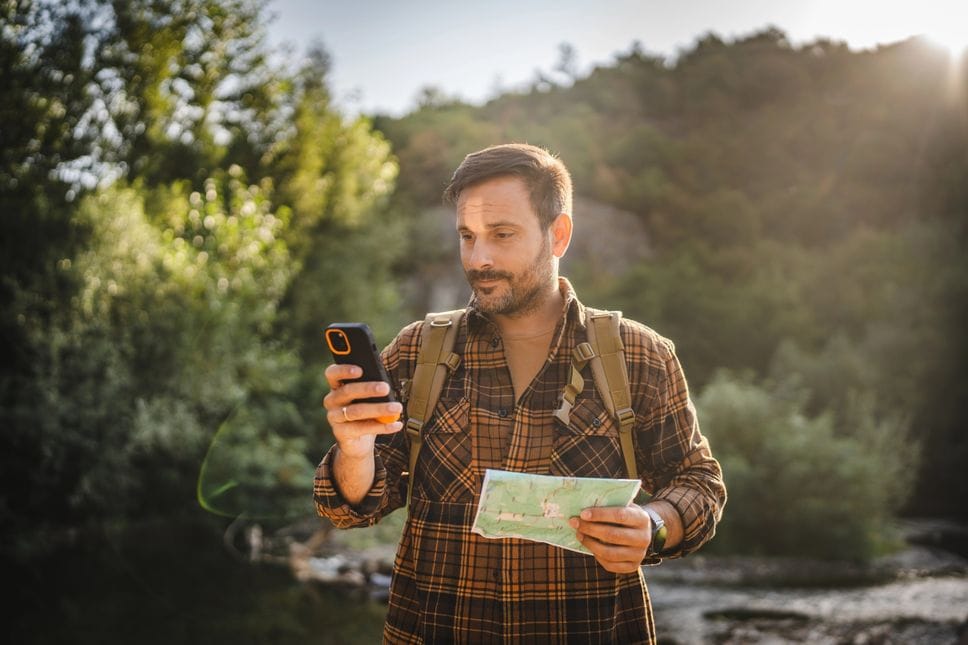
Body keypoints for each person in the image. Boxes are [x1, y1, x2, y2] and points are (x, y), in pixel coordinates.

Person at [314, 143, 726, 643]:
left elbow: (699, 482)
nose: (479, 258)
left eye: (502, 235)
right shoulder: (418, 350)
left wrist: (654, 524)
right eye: (467, 236)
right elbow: (350, 508)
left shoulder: (637, 354)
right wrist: (354, 451)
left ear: (559, 234)